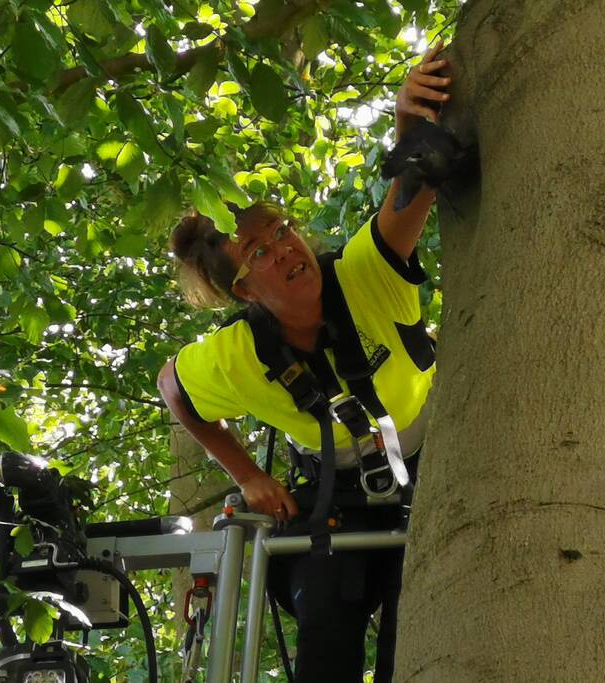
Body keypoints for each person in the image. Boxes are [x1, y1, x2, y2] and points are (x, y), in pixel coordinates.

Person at [156, 42, 452, 683]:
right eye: (258, 253)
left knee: (425, 618)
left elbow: (410, 190)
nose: (284, 248)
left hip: (436, 473)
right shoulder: (238, 355)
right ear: (243, 290)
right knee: (327, 614)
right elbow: (172, 386)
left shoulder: (366, 274)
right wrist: (245, 474)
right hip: (335, 498)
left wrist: (410, 123)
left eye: (281, 231)